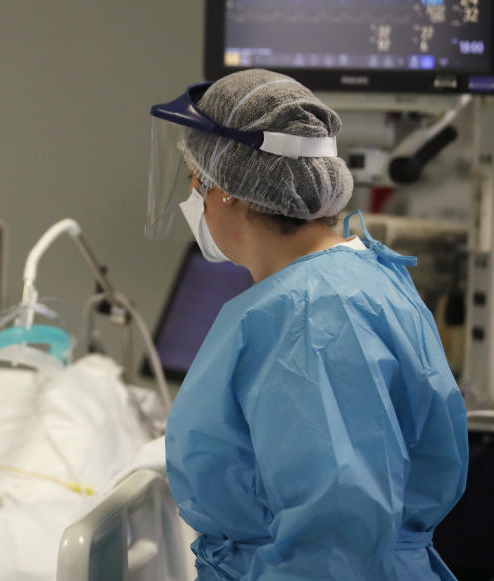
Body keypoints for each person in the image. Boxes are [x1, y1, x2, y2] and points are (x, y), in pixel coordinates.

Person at [148, 69, 469, 580]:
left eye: (196, 179)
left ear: (230, 189)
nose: (195, 198)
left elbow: (334, 545)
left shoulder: (310, 317)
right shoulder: (352, 279)